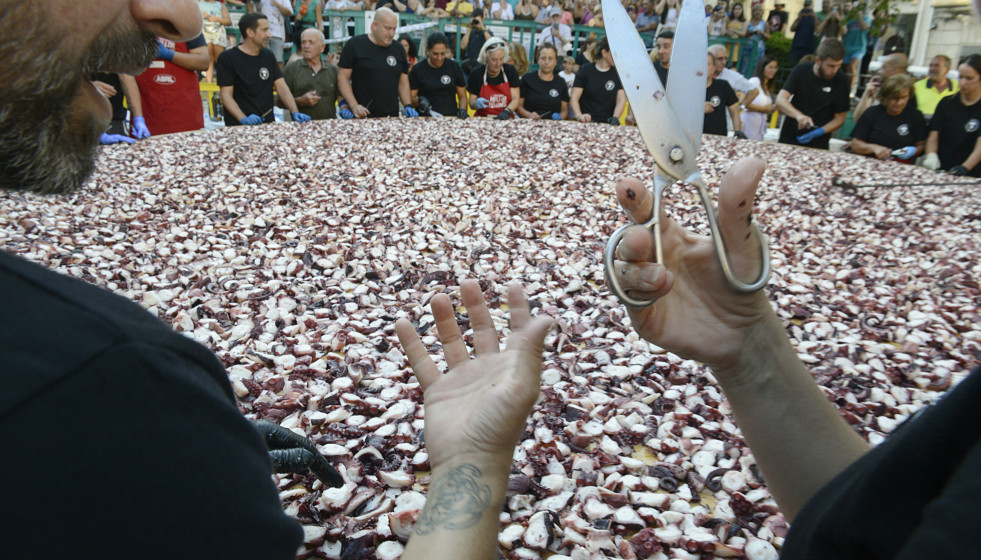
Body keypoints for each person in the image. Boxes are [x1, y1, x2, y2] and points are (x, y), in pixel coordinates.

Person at [217, 12, 311, 125]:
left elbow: (282, 87)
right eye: (264, 30)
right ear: (250, 32)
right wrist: (243, 119)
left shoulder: (268, 56)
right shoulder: (227, 58)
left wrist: (295, 112)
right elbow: (226, 95)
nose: (269, 34)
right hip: (238, 127)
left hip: (267, 125)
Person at [337, 8, 417, 118]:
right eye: (387, 28)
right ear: (374, 26)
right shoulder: (354, 45)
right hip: (362, 115)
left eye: (394, 29)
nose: (391, 33)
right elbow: (343, 78)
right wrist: (354, 105)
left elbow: (403, 81)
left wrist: (407, 105)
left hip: (391, 117)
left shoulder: (399, 48)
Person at [775, 38, 849, 150]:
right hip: (789, 138)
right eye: (830, 66)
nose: (834, 70)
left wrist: (819, 131)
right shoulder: (801, 71)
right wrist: (799, 116)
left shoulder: (842, 80)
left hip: (819, 144)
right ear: (818, 60)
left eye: (838, 65)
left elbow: (840, 118)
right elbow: (781, 99)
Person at [129, 35, 211, 135]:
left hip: (185, 114)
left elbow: (203, 62)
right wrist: (138, 118)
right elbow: (126, 73)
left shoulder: (186, 26)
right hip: (148, 112)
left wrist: (170, 55)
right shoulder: (136, 27)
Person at [922, 54, 981, 177]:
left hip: (970, 173)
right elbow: (934, 134)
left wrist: (965, 167)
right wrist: (931, 155)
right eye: (961, 77)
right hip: (942, 168)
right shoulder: (947, 103)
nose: (963, 83)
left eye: (969, 78)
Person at [849, 73, 926, 162]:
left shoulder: (915, 116)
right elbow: (855, 144)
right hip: (872, 161)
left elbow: (921, 145)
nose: (899, 102)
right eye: (895, 98)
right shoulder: (872, 113)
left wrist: (913, 151)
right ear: (886, 97)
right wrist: (873, 148)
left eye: (904, 97)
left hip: (901, 164)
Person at [282, 28, 340, 120]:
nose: (306, 46)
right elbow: (280, 102)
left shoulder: (332, 70)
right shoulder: (291, 68)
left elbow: (341, 96)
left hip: (328, 127)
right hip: (300, 127)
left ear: (322, 47)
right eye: (303, 42)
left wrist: (344, 107)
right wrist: (301, 101)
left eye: (311, 42)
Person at [408, 31, 469, 117]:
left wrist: (462, 109)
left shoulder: (453, 66)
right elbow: (411, 98)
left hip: (450, 117)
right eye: (435, 54)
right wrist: (420, 101)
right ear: (427, 50)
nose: (439, 58)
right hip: (427, 118)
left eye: (443, 54)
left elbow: (462, 96)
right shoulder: (417, 69)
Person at [570, 36, 626, 124]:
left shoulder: (618, 73)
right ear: (604, 53)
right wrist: (579, 116)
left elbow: (621, 100)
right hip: (586, 121)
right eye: (615, 53)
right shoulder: (585, 70)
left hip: (607, 122)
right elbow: (574, 97)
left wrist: (615, 117)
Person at [467, 37, 520, 118]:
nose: (498, 64)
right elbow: (471, 103)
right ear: (486, 58)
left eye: (501, 59)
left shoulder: (510, 71)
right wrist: (476, 104)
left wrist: (507, 111)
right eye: (494, 60)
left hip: (505, 118)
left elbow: (515, 98)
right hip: (483, 119)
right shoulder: (476, 73)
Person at [516, 43, 569, 120]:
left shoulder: (561, 82)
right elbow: (518, 106)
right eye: (543, 58)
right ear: (538, 59)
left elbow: (565, 110)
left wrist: (560, 117)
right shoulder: (527, 79)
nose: (547, 62)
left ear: (556, 61)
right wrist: (528, 115)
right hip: (529, 122)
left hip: (553, 125)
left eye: (550, 58)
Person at [852, 52, 908, 122]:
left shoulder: (905, 94)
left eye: (883, 67)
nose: (879, 71)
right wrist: (867, 94)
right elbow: (858, 119)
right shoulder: (878, 88)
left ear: (894, 70)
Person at [704, 52, 745, 137]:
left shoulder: (723, 85)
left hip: (718, 138)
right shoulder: (688, 89)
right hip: (693, 138)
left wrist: (737, 131)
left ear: (713, 68)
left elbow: (734, 111)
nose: (702, 67)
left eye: (707, 64)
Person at [740, 55, 779, 141]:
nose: (773, 70)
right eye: (770, 67)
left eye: (775, 68)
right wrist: (764, 109)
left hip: (759, 126)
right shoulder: (754, 81)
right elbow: (743, 103)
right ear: (762, 68)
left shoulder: (766, 86)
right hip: (749, 123)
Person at [914, 54, 959, 122]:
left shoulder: (958, 88)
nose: (932, 69)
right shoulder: (916, 86)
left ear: (947, 69)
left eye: (936, 66)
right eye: (931, 65)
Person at [840, 0, 870, 96]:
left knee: (852, 66)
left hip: (859, 48)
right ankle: (844, 88)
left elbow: (864, 28)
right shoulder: (848, 19)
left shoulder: (866, 18)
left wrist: (859, 16)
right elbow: (843, 33)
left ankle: (849, 90)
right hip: (847, 48)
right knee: (846, 69)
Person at [200, 0, 233, 82]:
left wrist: (217, 19)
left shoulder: (221, 6)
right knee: (209, 59)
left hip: (218, 34)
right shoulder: (199, 4)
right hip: (204, 33)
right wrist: (201, 15)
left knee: (220, 59)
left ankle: (222, 83)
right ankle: (209, 84)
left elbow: (228, 21)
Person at [256, 0, 293, 66]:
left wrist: (278, 5)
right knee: (263, 61)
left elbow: (289, 12)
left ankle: (280, 76)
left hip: (278, 34)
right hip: (262, 34)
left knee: (278, 61)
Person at [742, 4, 768, 74]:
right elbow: (742, 34)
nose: (758, 12)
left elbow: (768, 37)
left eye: (760, 10)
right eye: (756, 10)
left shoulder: (765, 23)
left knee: (756, 70)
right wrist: (750, 33)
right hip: (747, 49)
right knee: (745, 68)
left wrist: (763, 33)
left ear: (762, 12)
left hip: (759, 50)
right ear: (752, 12)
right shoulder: (747, 22)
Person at [789, 0, 817, 65]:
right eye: (805, 6)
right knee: (795, 67)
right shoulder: (800, 17)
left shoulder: (814, 18)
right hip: (797, 47)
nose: (807, 8)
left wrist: (814, 16)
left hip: (808, 48)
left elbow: (817, 31)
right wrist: (799, 17)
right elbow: (792, 29)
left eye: (808, 6)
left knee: (806, 67)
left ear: (812, 7)